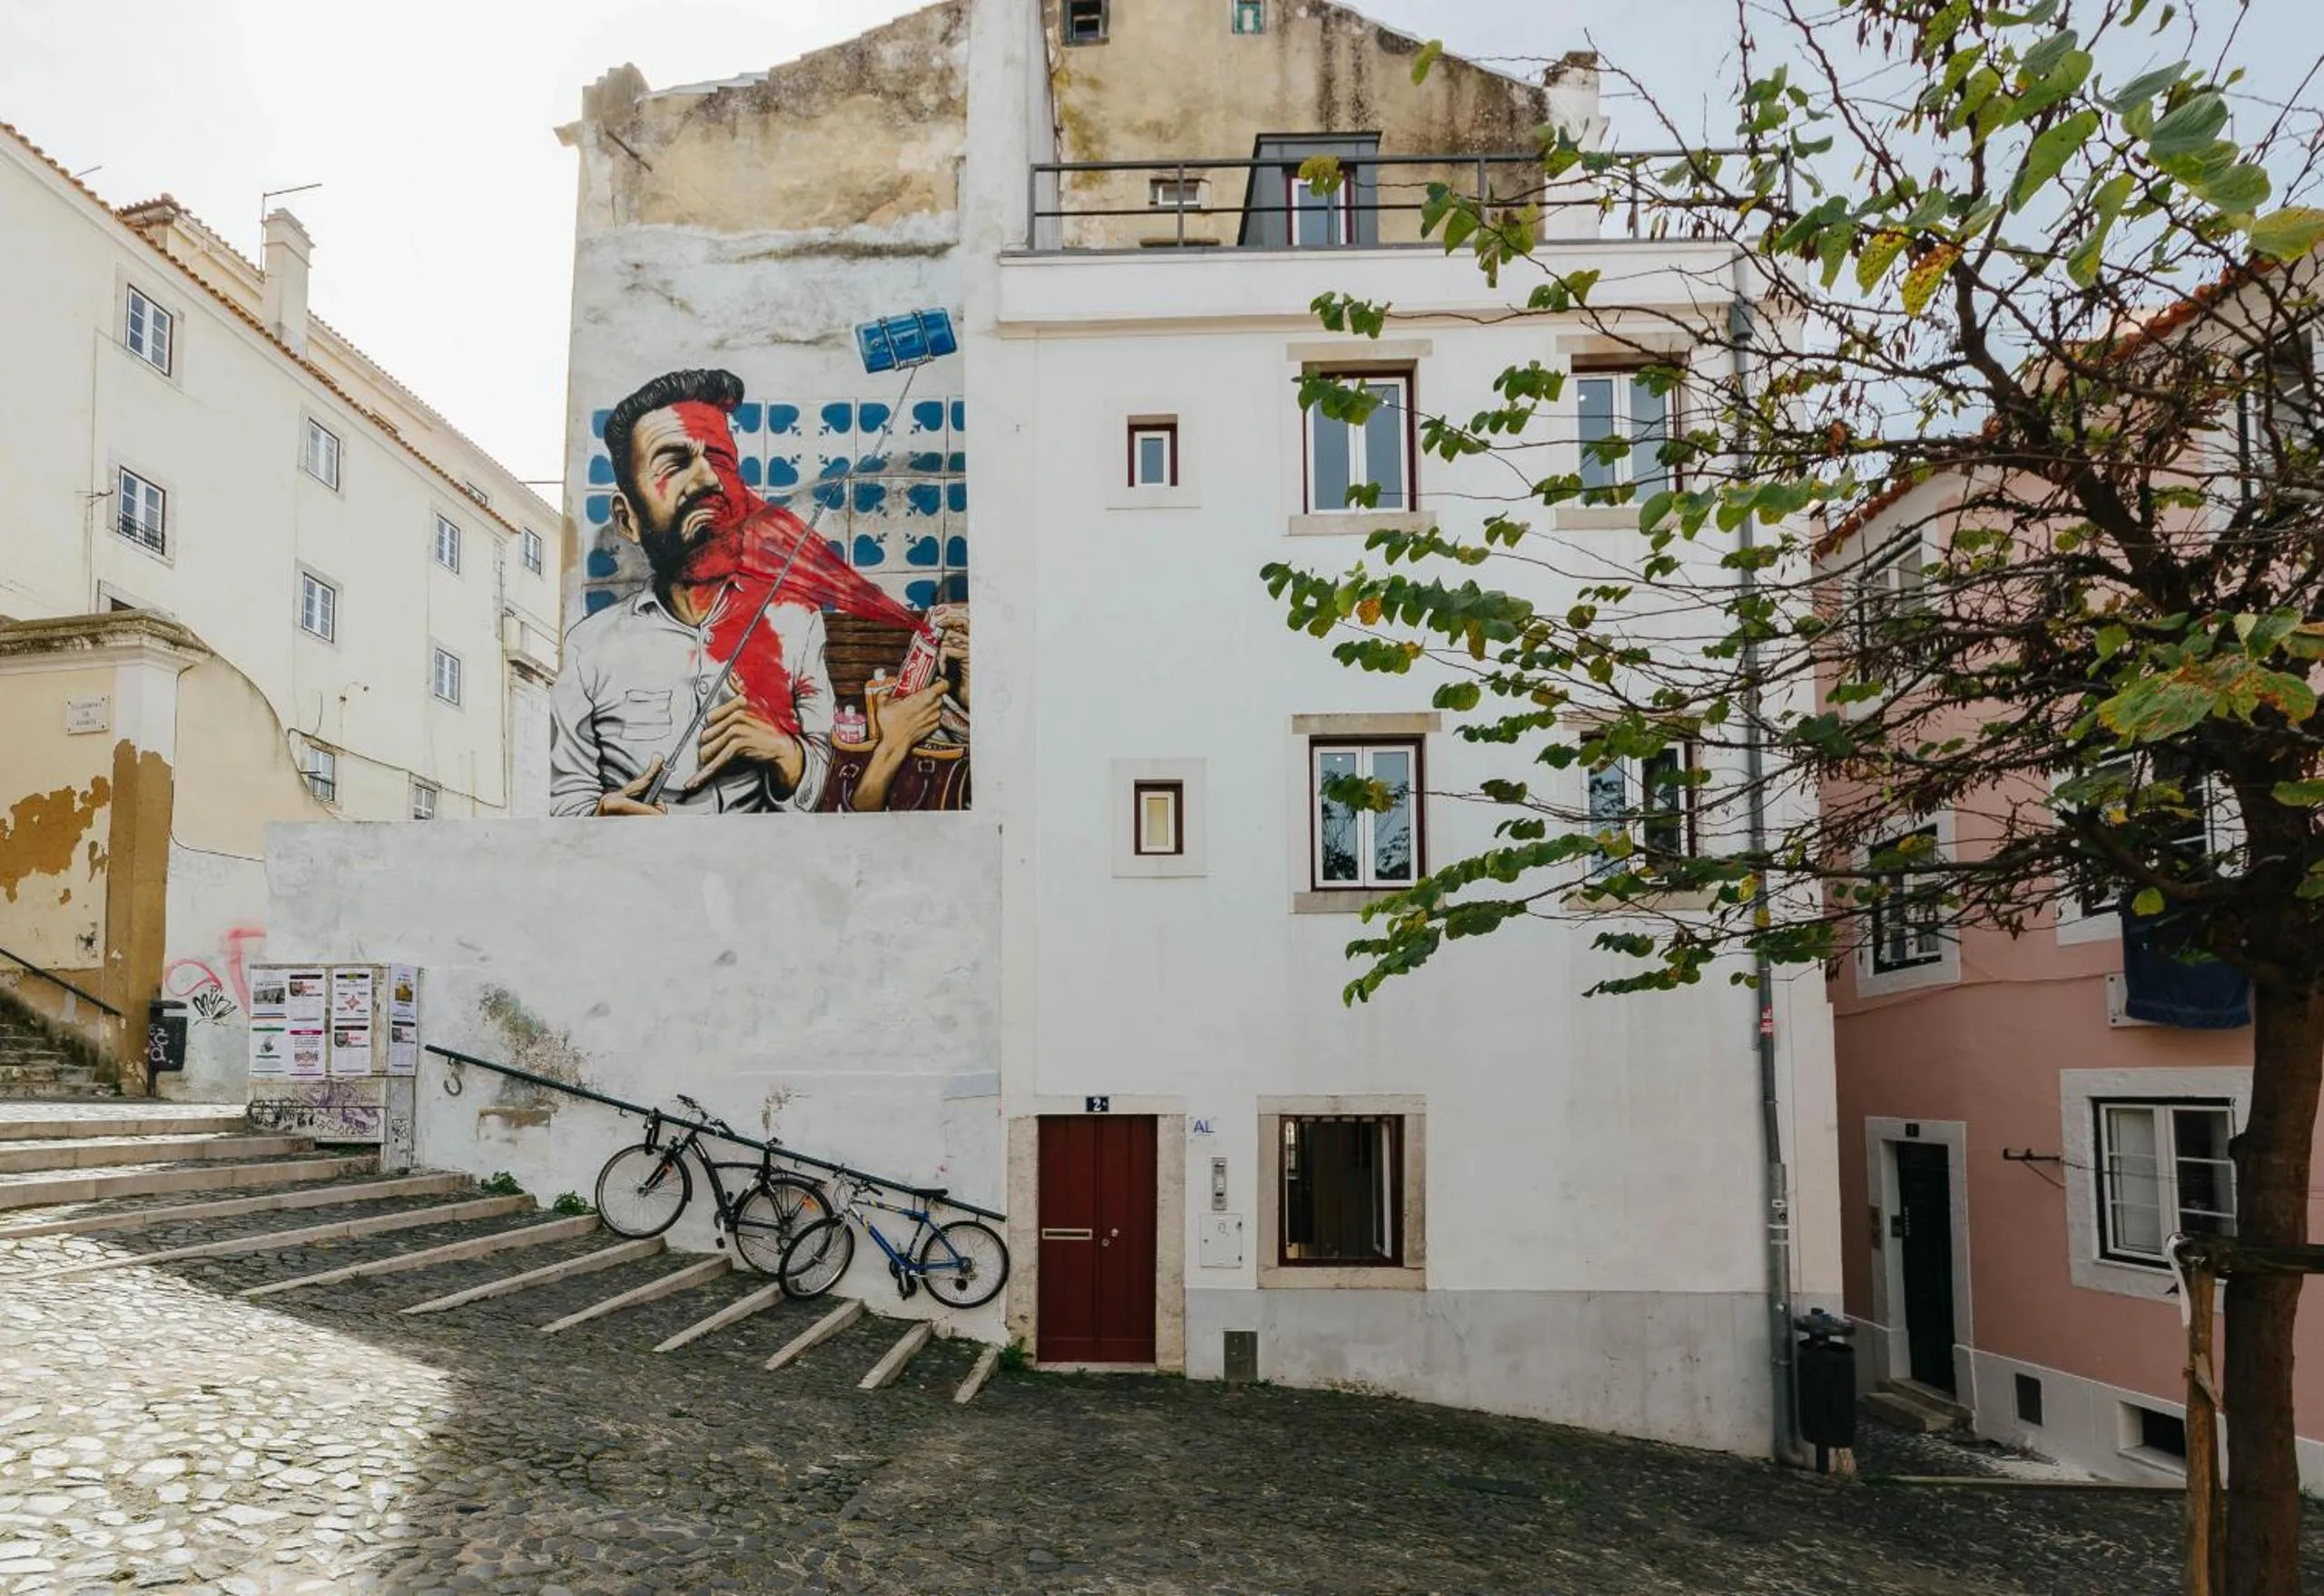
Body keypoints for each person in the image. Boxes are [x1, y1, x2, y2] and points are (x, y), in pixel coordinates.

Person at [550, 369, 952, 815]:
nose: (709, 482)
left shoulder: (794, 622)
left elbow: (834, 787)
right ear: (628, 519)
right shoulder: (590, 647)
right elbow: (565, 803)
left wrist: (788, 755)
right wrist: (602, 817)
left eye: (721, 460)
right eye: (674, 463)